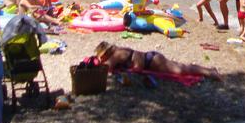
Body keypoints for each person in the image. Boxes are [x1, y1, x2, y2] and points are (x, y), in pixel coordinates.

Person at [93, 41, 222, 81]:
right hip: (152, 58)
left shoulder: (114, 56)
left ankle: (211, 73)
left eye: (100, 57)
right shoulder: (118, 51)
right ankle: (209, 70)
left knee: (181, 70)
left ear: (105, 54)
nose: (100, 59)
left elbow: (107, 71)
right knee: (180, 67)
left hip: (152, 61)